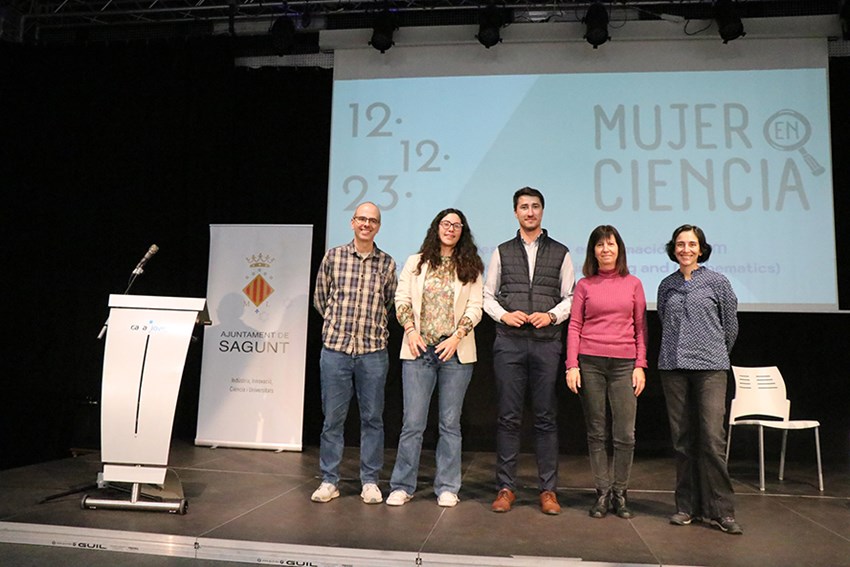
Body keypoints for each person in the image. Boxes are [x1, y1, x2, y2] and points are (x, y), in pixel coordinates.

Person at [483, 187, 575, 515]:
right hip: (509, 342)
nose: (530, 212)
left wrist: (551, 316)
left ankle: (548, 490)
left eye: (535, 206)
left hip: (546, 343)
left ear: (542, 211)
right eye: (524, 207)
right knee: (508, 417)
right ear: (516, 212)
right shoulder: (502, 251)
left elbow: (570, 297)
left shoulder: (561, 252)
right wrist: (504, 315)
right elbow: (487, 295)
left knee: (546, 417)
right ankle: (505, 488)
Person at [385, 208, 485, 508]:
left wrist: (457, 337)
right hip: (418, 350)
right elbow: (401, 299)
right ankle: (402, 485)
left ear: (463, 231)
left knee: (450, 424)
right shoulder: (416, 262)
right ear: (436, 227)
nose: (450, 229)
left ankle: (447, 487)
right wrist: (410, 330)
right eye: (446, 223)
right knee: (413, 423)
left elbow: (476, 307)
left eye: (457, 225)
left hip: (455, 352)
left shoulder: (471, 266)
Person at [657, 224, 742, 535]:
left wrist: (715, 351)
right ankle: (686, 507)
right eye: (680, 244)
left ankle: (722, 511)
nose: (686, 249)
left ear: (701, 249)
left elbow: (730, 326)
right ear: (673, 249)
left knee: (711, 438)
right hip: (673, 367)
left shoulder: (718, 282)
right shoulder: (666, 285)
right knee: (682, 440)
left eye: (692, 244)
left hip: (710, 368)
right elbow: (664, 321)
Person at [311, 202, 397, 504]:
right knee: (333, 420)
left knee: (372, 419)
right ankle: (329, 480)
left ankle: (370, 481)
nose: (366, 224)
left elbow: (389, 304)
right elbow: (321, 299)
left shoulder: (387, 263)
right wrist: (337, 327)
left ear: (378, 226)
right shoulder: (333, 257)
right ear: (352, 222)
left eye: (372, 220)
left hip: (373, 352)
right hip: (336, 351)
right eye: (362, 219)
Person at [565, 225, 647, 519]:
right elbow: (574, 326)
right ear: (593, 251)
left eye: (610, 244)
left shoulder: (634, 284)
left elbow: (641, 328)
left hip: (625, 364)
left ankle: (620, 493)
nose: (606, 249)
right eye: (600, 245)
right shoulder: (585, 285)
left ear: (619, 248)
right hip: (590, 363)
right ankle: (602, 493)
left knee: (625, 434)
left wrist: (640, 365)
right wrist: (571, 365)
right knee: (596, 432)